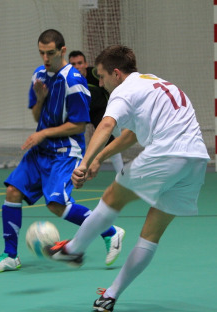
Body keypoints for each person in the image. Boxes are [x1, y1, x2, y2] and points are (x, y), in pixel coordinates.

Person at [44, 45, 210, 312]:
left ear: (117, 73)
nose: (100, 82)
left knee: (112, 198)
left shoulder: (123, 90)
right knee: (150, 236)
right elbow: (129, 136)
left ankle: (74, 249)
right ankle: (110, 295)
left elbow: (107, 125)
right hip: (196, 161)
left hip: (166, 154)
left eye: (101, 76)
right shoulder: (154, 83)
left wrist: (84, 163)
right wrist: (99, 159)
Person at [0, 31, 125, 274]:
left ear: (62, 51)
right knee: (12, 191)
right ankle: (10, 255)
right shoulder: (39, 76)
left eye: (50, 52)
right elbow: (37, 117)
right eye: (41, 52)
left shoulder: (74, 82)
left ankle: (110, 231)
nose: (45, 58)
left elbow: (79, 125)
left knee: (56, 204)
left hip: (65, 151)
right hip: (40, 152)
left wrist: (42, 134)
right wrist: (40, 100)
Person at [68, 50, 124, 173]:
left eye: (80, 63)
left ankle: (122, 173)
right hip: (80, 113)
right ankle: (72, 171)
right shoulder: (66, 80)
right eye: (73, 64)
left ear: (86, 64)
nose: (77, 66)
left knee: (112, 140)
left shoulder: (95, 73)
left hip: (100, 110)